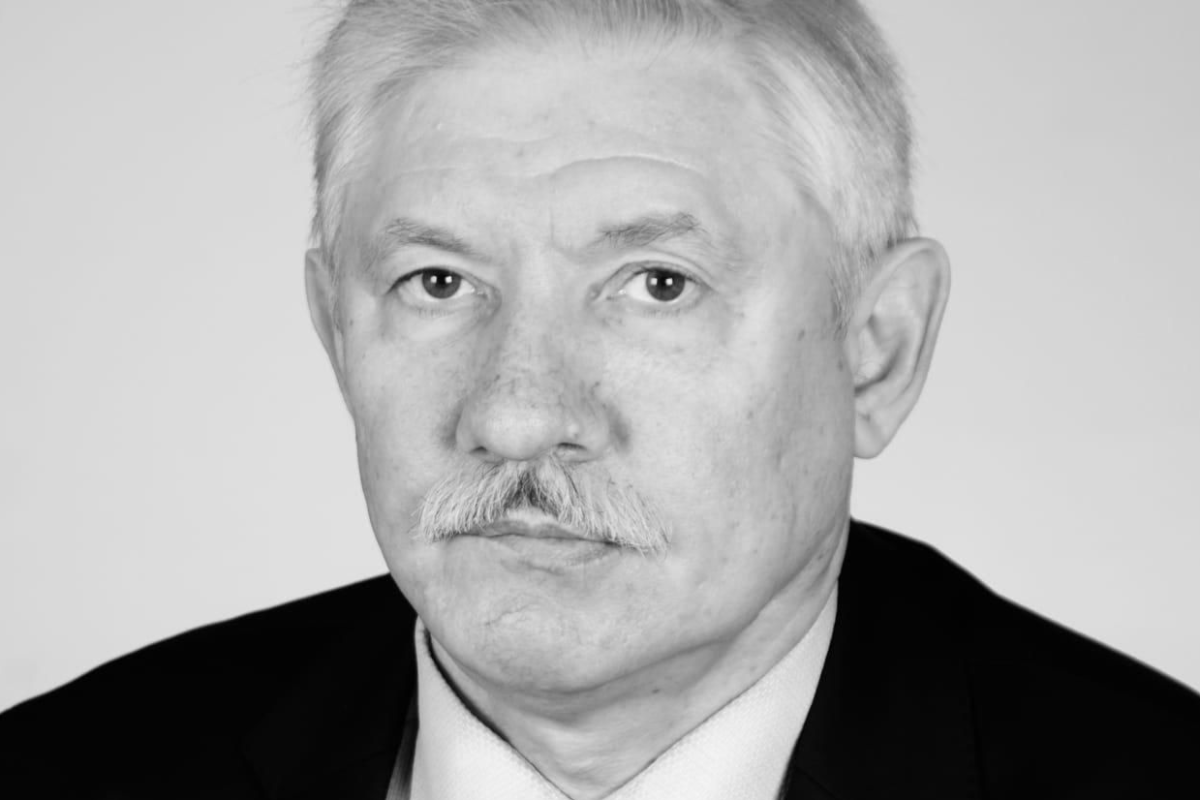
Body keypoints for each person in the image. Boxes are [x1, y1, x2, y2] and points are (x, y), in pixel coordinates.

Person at [2, 0, 1197, 797]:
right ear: (335, 329)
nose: (516, 414)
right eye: (437, 281)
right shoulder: (65, 769)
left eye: (657, 284)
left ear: (875, 349)